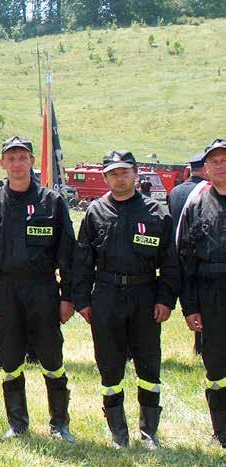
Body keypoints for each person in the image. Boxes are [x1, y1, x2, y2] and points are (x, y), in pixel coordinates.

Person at [0, 137, 76, 442]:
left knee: (52, 358)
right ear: (2, 163)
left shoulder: (52, 202)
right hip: (6, 292)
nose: (17, 163)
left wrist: (67, 295)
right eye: (11, 158)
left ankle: (60, 424)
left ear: (32, 161)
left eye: (22, 157)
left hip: (43, 289)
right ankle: (17, 424)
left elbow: (68, 253)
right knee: (11, 359)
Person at [73, 150, 179, 450]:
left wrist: (166, 299)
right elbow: (82, 260)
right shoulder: (95, 212)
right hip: (106, 295)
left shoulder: (157, 212)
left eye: (125, 172)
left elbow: (170, 262)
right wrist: (82, 301)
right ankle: (118, 432)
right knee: (109, 365)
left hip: (145, 295)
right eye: (114, 173)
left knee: (148, 364)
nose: (120, 177)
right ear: (105, 177)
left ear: (135, 174)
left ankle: (149, 433)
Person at [178, 138, 226, 448]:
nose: (220, 165)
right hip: (211, 294)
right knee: (217, 365)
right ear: (205, 168)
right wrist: (190, 307)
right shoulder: (195, 203)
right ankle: (221, 429)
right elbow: (184, 258)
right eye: (215, 161)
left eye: (225, 159)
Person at [169, 151, 209, 355]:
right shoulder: (204, 193)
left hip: (176, 253)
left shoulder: (176, 191)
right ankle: (201, 345)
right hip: (195, 252)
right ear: (205, 168)